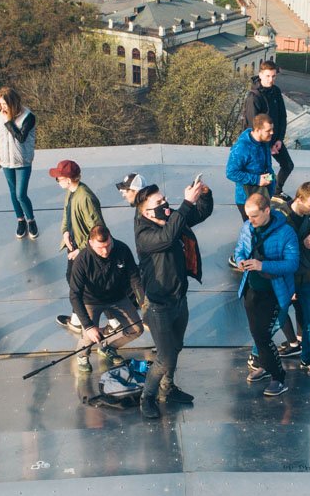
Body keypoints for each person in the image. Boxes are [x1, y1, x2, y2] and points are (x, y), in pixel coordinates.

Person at [134, 179, 214, 419]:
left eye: (164, 199)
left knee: (176, 347)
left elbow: (200, 213)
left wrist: (204, 195)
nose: (165, 204)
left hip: (179, 299)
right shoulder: (145, 235)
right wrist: (186, 203)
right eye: (159, 202)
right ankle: (147, 397)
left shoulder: (171, 220)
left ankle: (167, 388)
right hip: (158, 306)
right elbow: (167, 238)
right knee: (165, 357)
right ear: (147, 212)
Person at [234, 193, 299, 397]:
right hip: (251, 288)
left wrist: (262, 265)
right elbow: (239, 249)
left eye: (254, 216)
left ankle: (278, 377)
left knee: (262, 334)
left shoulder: (286, 232)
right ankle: (264, 366)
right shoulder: (247, 227)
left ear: (267, 211)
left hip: (274, 291)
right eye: (248, 216)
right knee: (257, 333)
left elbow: (292, 263)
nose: (250, 220)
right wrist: (240, 261)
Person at [272, 181, 310, 376]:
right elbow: (275, 248)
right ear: (299, 199)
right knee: (275, 319)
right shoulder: (279, 216)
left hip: (308, 278)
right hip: (285, 279)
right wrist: (302, 243)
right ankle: (258, 356)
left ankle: (307, 357)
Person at [69, 224, 146, 373]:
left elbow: (135, 279)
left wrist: (143, 303)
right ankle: (82, 355)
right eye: (100, 248)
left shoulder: (122, 249)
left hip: (117, 297)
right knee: (90, 336)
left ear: (110, 238)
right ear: (91, 243)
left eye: (108, 245)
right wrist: (89, 326)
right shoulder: (82, 260)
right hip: (91, 300)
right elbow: (74, 295)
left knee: (137, 329)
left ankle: (108, 347)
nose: (105, 251)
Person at [51, 159, 104, 331]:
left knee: (81, 284)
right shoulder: (71, 192)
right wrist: (65, 231)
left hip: (83, 249)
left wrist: (81, 250)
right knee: (73, 279)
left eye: (58, 178)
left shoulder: (85, 198)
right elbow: (66, 214)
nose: (57, 181)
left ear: (68, 179)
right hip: (75, 245)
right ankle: (77, 319)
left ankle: (106, 319)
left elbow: (98, 229)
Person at [0, 86, 39, 240]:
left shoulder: (28, 117)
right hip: (5, 160)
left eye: (4, 104)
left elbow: (21, 138)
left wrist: (8, 121)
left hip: (22, 161)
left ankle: (31, 220)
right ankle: (20, 220)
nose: (2, 107)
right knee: (13, 192)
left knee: (21, 194)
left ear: (13, 103)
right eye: (0, 104)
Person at [241, 60, 293, 195]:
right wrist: (267, 147)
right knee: (266, 174)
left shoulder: (276, 91)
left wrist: (279, 139)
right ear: (260, 75)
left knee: (288, 165)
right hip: (260, 143)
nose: (271, 79)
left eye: (273, 76)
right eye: (268, 76)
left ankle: (276, 191)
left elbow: (282, 117)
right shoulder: (254, 97)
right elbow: (253, 127)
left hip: (275, 140)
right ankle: (260, 195)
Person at [226, 113, 275, 224]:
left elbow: (268, 168)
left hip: (264, 196)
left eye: (272, 129)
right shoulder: (242, 147)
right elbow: (231, 172)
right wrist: (257, 180)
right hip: (246, 199)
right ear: (257, 130)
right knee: (254, 230)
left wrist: (272, 184)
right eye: (268, 130)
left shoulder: (264, 143)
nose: (272, 133)